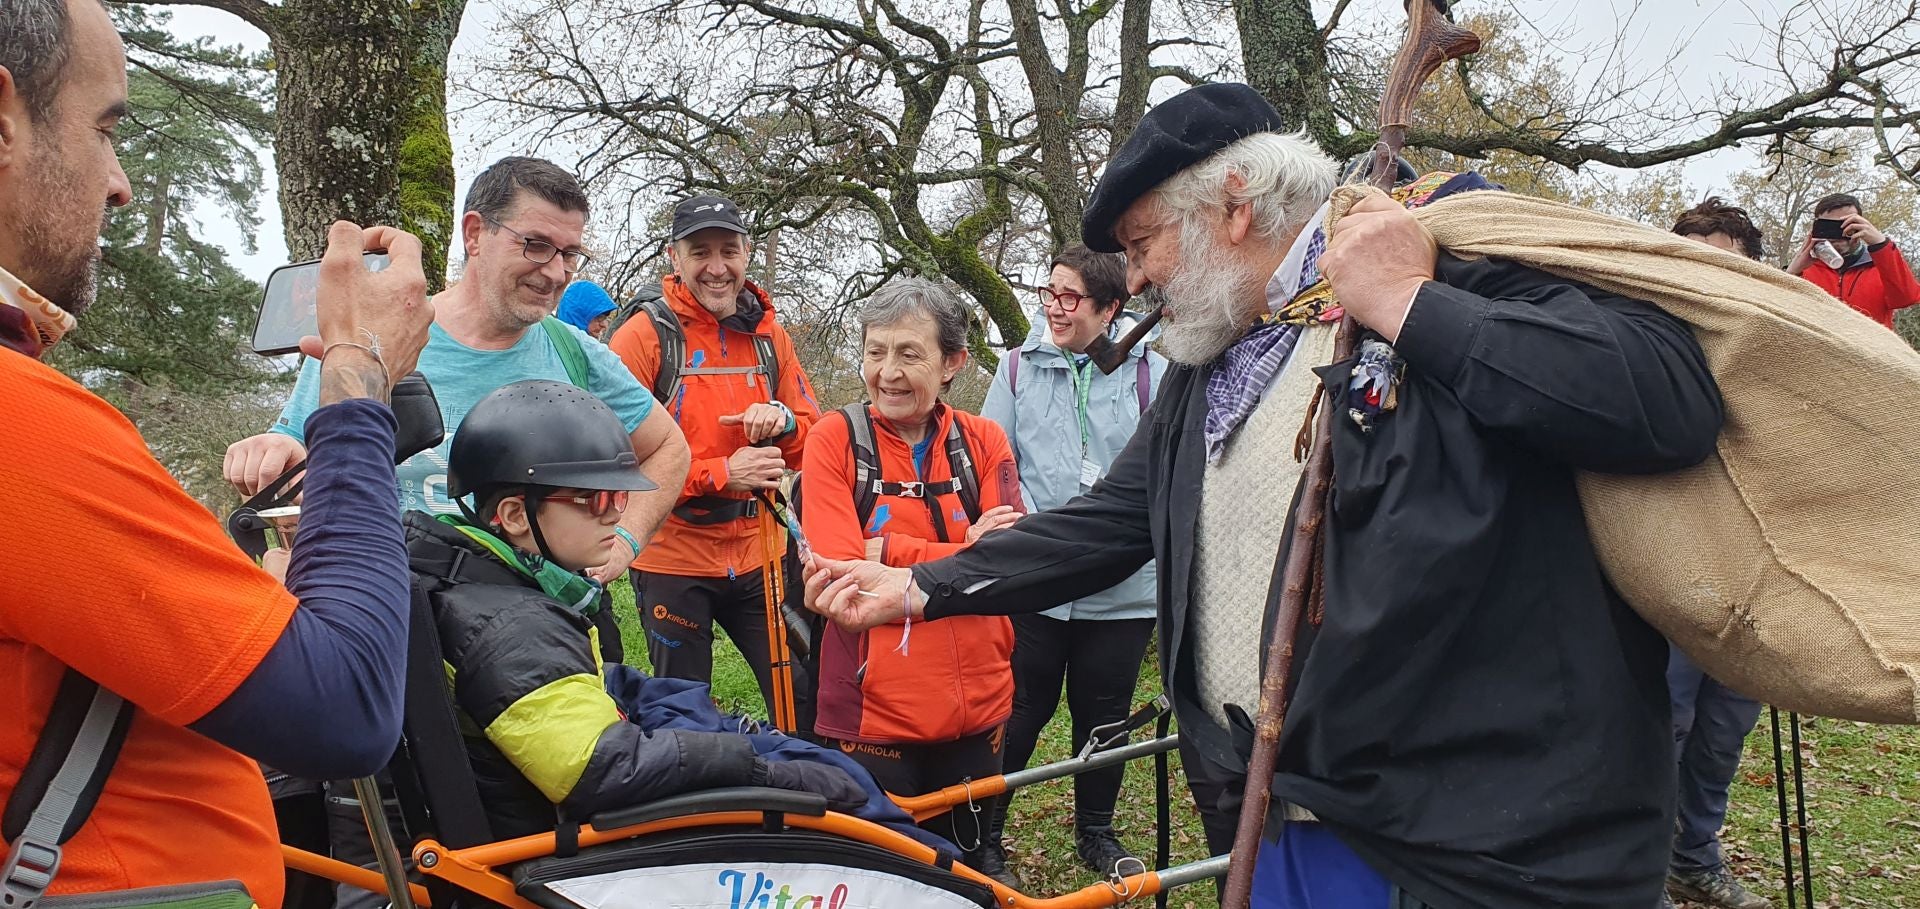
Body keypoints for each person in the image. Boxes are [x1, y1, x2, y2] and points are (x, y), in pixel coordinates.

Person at [804, 83, 1725, 908]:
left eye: (1141, 244)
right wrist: (922, 588)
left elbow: (1667, 399)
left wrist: (1411, 303)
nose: (1135, 280)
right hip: (1282, 820)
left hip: (1480, 848)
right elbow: (1112, 523)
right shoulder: (1213, 361)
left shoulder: (1448, 256)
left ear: (1233, 207)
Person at [2, 0, 435, 901]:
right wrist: (356, 374)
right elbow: (348, 704)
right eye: (105, 127)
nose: (119, 183)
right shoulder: (20, 422)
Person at [222, 155, 684, 905]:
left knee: (520, 862)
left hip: (530, 662)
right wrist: (272, 452)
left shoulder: (576, 355)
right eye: (536, 245)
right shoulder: (382, 338)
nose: (555, 270)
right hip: (388, 657)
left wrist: (621, 548)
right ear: (475, 232)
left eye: (570, 253)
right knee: (384, 867)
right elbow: (305, 454)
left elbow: (669, 448)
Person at [404, 378, 901, 841]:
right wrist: (754, 764)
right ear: (514, 515)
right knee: (840, 790)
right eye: (594, 498)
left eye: (621, 494)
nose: (618, 512)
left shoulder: (484, 581)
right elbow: (604, 770)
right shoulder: (512, 624)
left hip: (558, 815)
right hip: (571, 853)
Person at [798, 278, 1024, 879]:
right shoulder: (833, 439)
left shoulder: (986, 440)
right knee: (884, 872)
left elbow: (1008, 566)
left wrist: (888, 549)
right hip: (871, 711)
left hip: (979, 701)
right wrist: (961, 551)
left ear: (953, 363)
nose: (888, 372)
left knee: (967, 864)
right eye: (876, 351)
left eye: (909, 353)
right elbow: (843, 575)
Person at [979, 245, 1166, 882]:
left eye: (1072, 298)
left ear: (1111, 308)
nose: (1055, 308)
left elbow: (1162, 476)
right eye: (1049, 292)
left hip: (1123, 586)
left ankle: (1097, 833)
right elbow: (994, 465)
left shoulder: (1154, 373)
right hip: (1037, 578)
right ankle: (988, 836)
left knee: (1104, 714)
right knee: (1021, 708)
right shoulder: (1013, 370)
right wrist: (1037, 533)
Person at [606, 194, 823, 727]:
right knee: (685, 716)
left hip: (761, 553)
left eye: (729, 250)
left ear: (747, 254)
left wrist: (784, 422)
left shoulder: (770, 337)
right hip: (672, 560)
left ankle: (805, 806)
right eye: (700, 252)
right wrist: (724, 473)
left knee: (806, 701)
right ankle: (706, 810)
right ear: (673, 258)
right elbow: (614, 462)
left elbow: (814, 441)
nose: (717, 267)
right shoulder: (642, 337)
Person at [1661, 199, 1773, 909]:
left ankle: (1692, 856)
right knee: (1664, 723)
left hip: (1754, 568)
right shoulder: (1649, 336)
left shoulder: (1770, 347)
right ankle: (1639, 870)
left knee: (1724, 726)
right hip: (1671, 563)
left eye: (1724, 262)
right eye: (1694, 259)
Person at [1786, 192, 1920, 329]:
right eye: (1828, 226)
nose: (1838, 234)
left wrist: (1881, 244)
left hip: (1870, 349)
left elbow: (1907, 298)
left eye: (1847, 225)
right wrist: (1791, 272)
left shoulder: (1883, 266)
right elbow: (1781, 312)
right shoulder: (1805, 270)